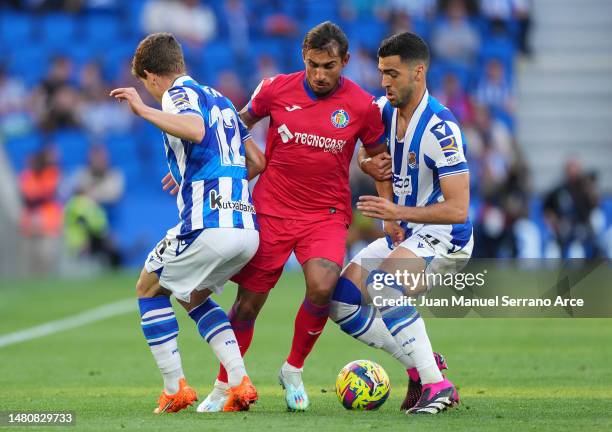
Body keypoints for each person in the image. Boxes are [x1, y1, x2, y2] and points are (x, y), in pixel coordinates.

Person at [197, 21, 388, 412]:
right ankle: (225, 385)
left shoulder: (363, 107)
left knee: (321, 287)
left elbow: (379, 159)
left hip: (327, 215)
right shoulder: (274, 89)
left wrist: (386, 204)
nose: (320, 74)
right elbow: (234, 126)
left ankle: (293, 369)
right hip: (272, 211)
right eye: (314, 64)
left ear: (346, 62)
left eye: (329, 66)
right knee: (248, 305)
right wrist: (198, 163)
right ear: (303, 58)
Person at [110, 32, 265, 414]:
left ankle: (174, 387)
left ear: (151, 76)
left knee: (148, 288)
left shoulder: (176, 93)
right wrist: (206, 179)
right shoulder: (224, 102)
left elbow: (194, 129)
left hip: (207, 224)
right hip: (245, 228)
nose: (148, 93)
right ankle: (239, 381)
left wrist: (142, 110)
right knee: (191, 295)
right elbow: (257, 162)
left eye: (145, 86)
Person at [331, 32, 473, 414]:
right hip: (407, 232)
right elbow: (368, 149)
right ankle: (419, 366)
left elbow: (458, 209)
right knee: (340, 301)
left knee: (385, 286)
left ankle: (437, 385)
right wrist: (365, 163)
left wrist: (397, 213)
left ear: (418, 72)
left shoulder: (441, 130)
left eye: (392, 73)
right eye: (381, 73)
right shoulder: (382, 111)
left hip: (446, 238)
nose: (384, 82)